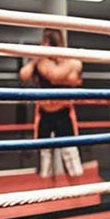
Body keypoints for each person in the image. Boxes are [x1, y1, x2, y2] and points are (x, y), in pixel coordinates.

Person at [19, 28, 84, 179]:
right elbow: (23, 75)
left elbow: (68, 77)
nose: (46, 45)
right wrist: (36, 59)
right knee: (45, 155)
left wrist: (63, 70)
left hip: (63, 112)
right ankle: (46, 189)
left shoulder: (68, 60)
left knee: (70, 153)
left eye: (49, 42)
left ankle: (78, 191)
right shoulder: (41, 61)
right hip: (45, 113)